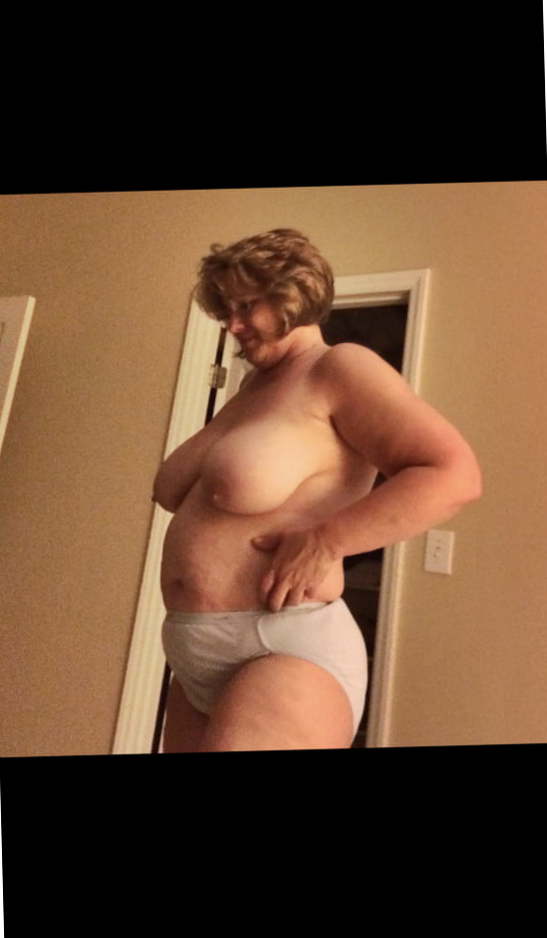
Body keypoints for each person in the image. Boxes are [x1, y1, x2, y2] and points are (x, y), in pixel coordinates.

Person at [153, 228, 482, 752]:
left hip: (282, 649)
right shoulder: (251, 388)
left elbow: (453, 474)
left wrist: (328, 540)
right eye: (226, 309)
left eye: (247, 307)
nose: (232, 325)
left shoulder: (338, 367)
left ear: (292, 295)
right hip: (195, 657)